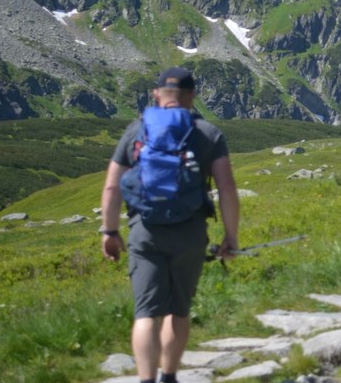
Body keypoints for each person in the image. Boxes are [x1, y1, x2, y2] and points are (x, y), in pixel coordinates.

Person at [100, 67, 240, 383]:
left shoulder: (136, 131)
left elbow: (111, 187)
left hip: (145, 231)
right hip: (191, 233)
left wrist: (109, 232)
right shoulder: (208, 134)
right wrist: (231, 236)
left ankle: (146, 379)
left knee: (146, 313)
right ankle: (170, 377)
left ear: (156, 93)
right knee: (178, 310)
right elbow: (227, 189)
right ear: (192, 96)